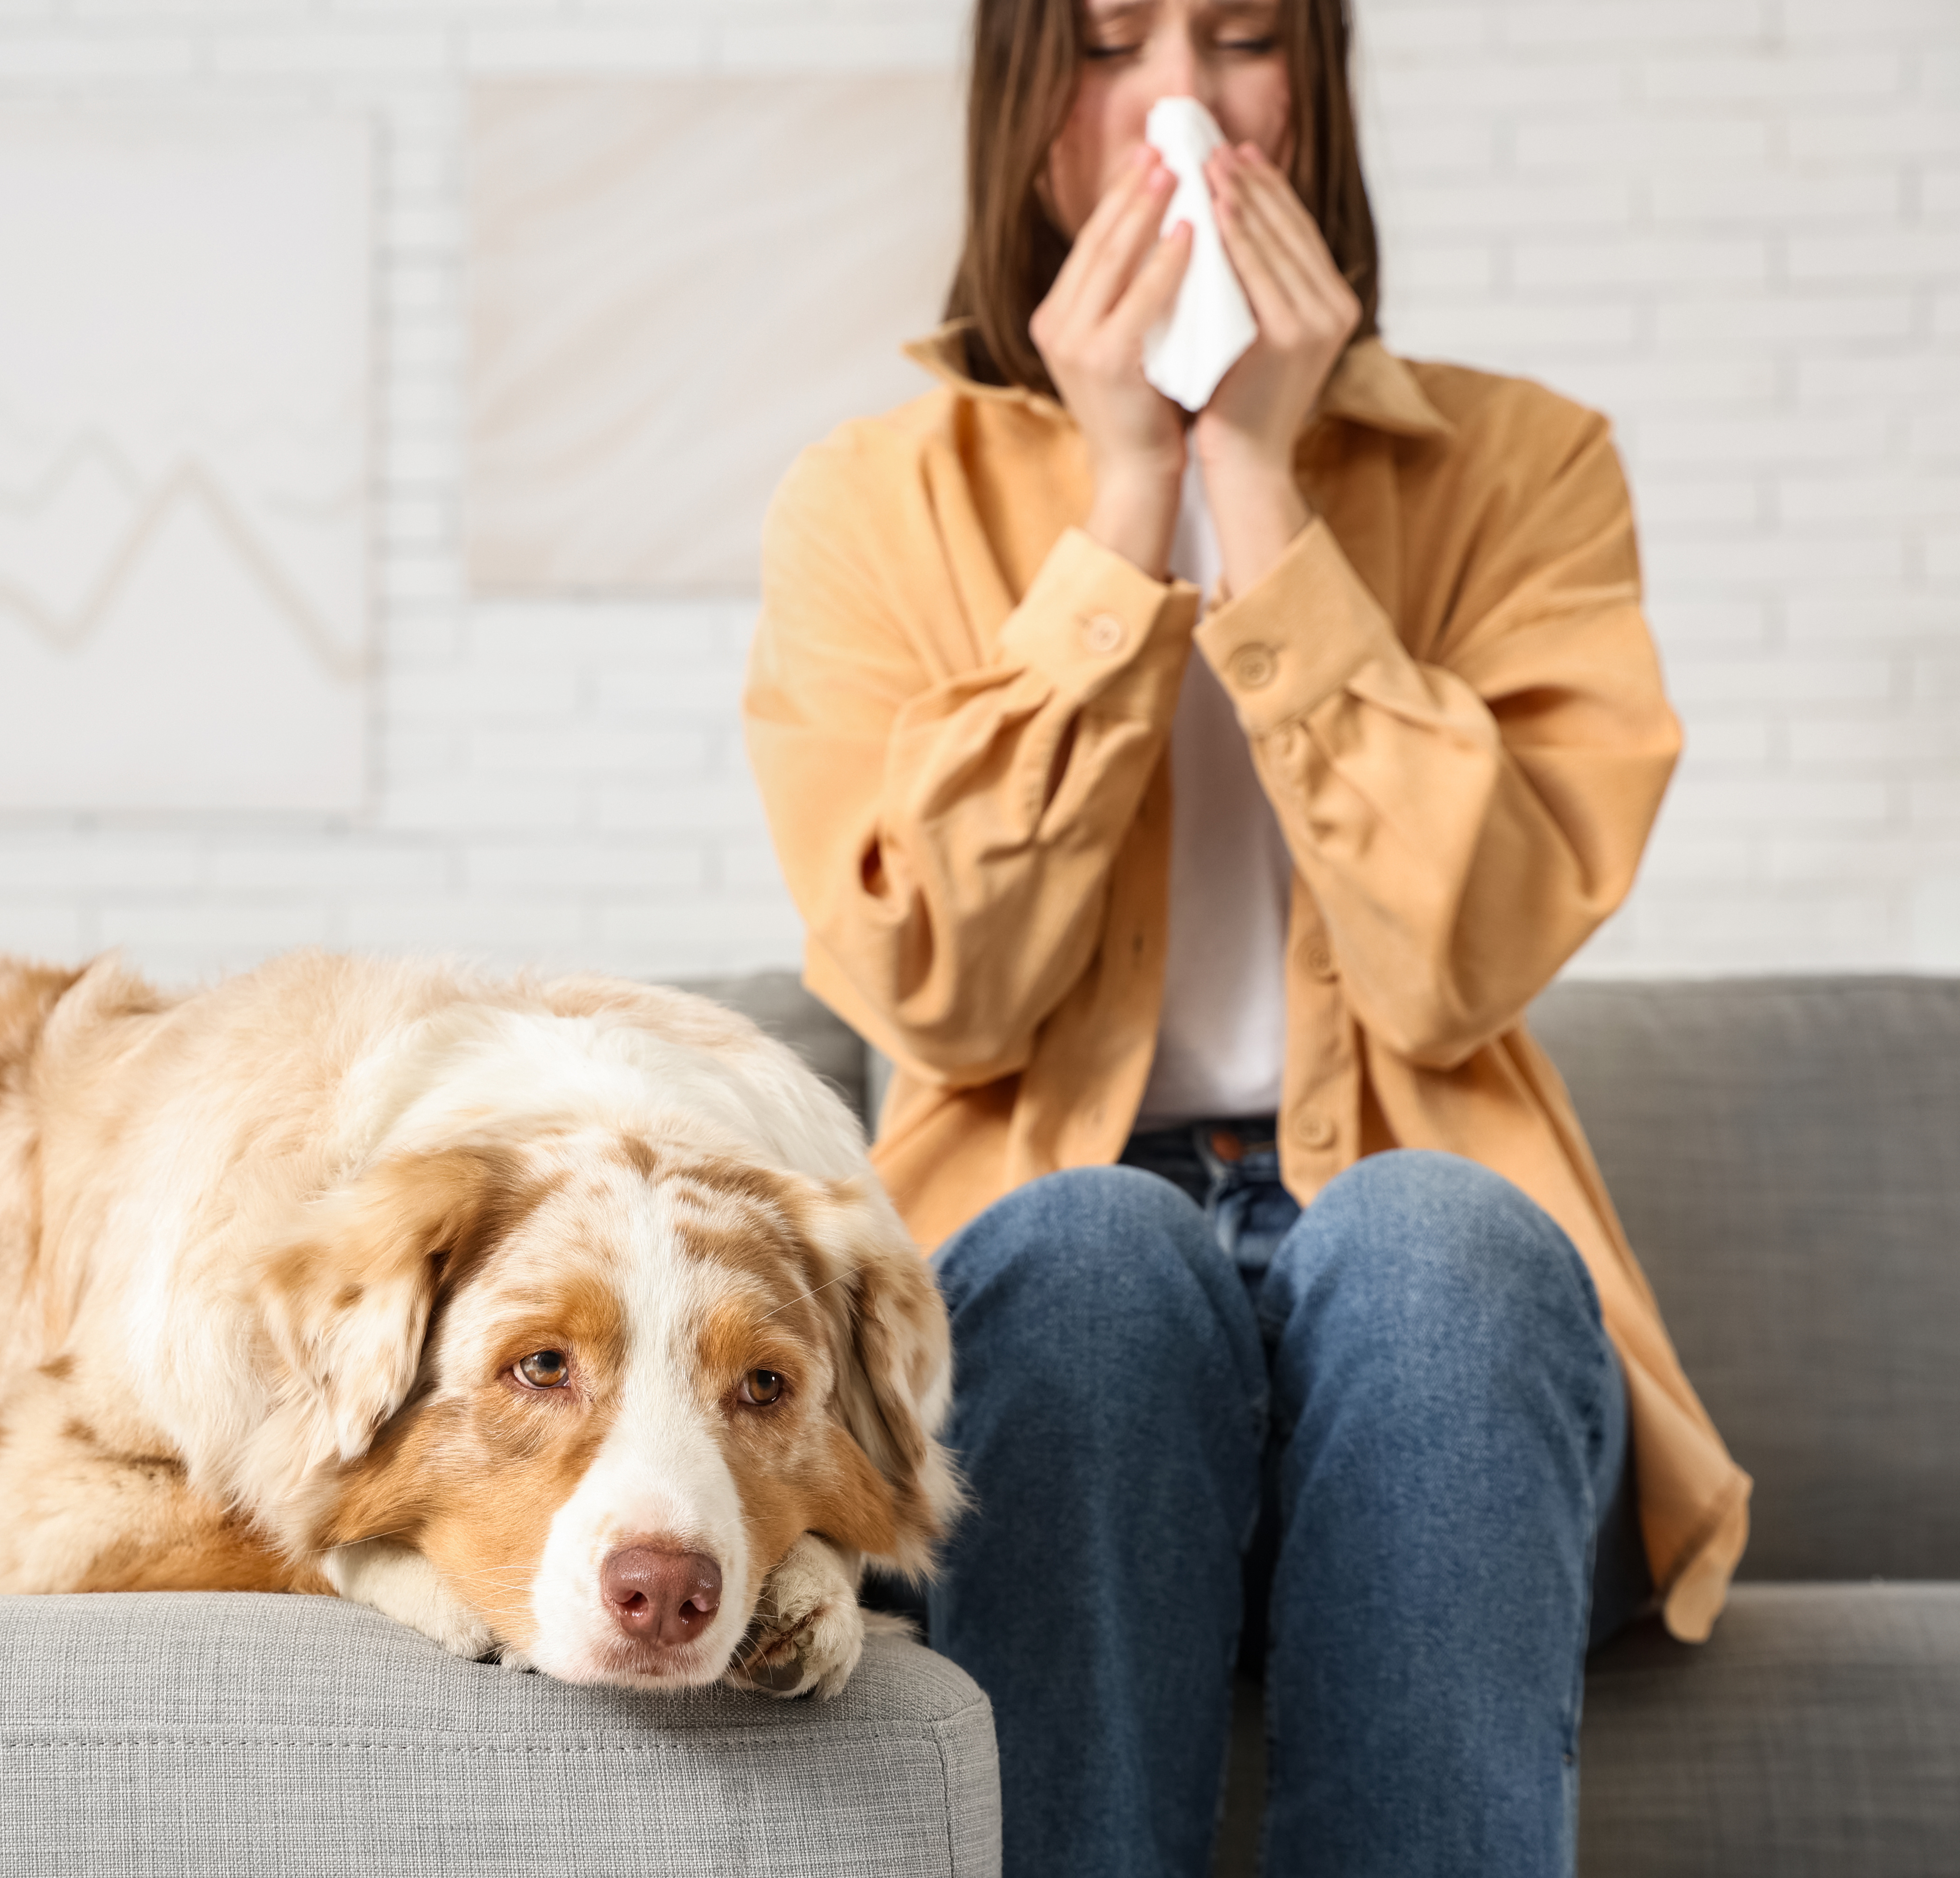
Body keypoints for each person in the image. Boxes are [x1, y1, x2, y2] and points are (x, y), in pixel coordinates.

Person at [741, 0, 1752, 1871]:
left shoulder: (1524, 467)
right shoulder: (872, 505)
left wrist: (1262, 495)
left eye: (1247, 39)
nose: (1184, 107)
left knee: (1437, 1232)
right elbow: (936, 990)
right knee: (1091, 1250)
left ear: (1322, 89)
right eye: (1115, 42)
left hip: (1437, 1331)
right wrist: (1131, 506)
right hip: (1064, 1327)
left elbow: (1469, 958)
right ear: (1025, 110)